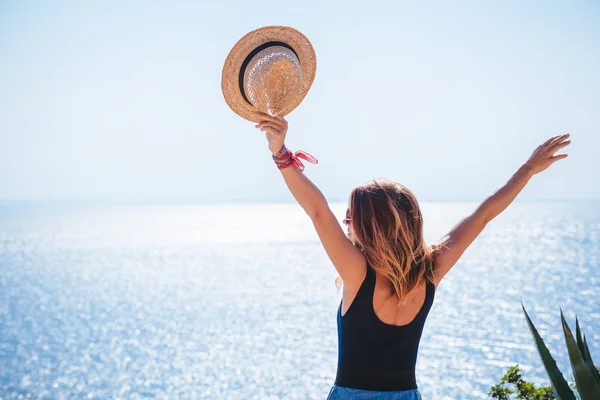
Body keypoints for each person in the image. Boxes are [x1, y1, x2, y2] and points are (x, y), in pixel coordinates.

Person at [255, 114, 571, 400]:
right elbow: (483, 214)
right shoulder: (430, 271)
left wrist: (280, 152)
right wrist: (529, 169)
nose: (345, 222)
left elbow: (317, 211)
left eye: (350, 216)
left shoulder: (357, 274)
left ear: (369, 226)